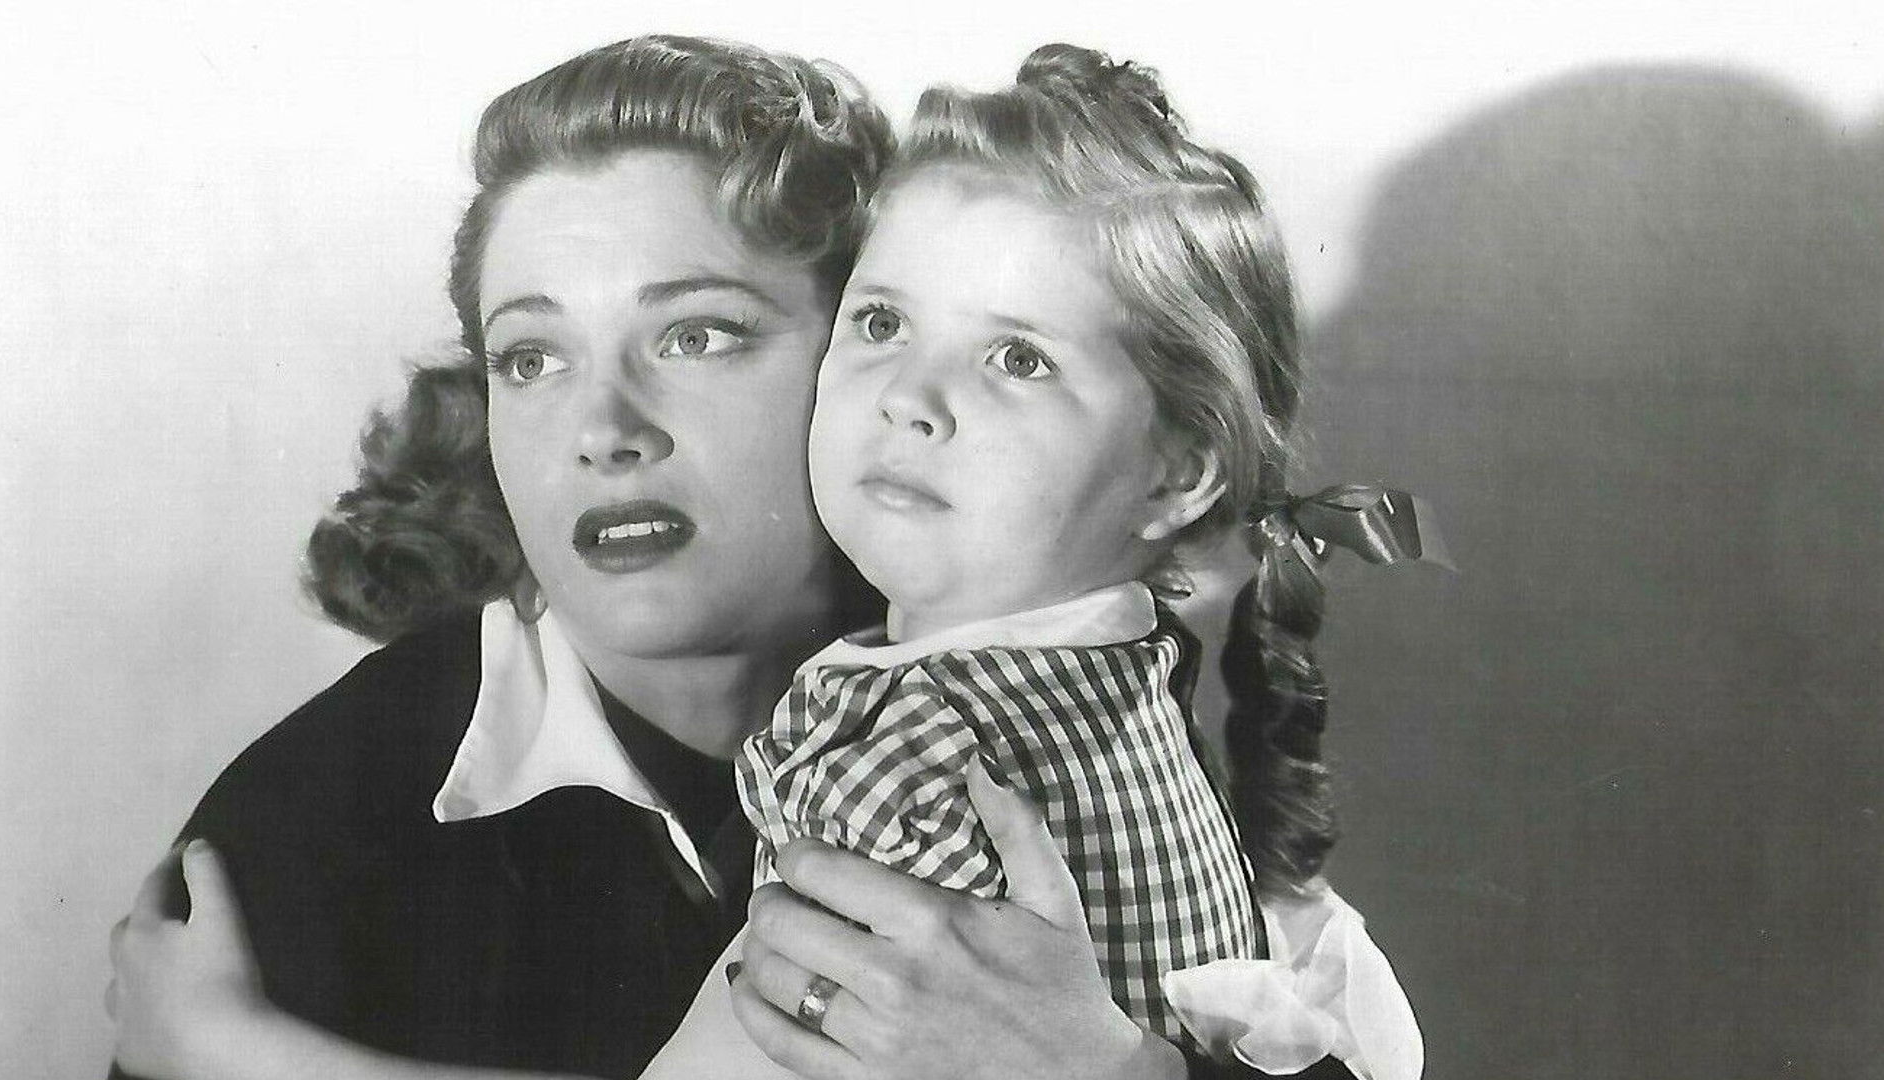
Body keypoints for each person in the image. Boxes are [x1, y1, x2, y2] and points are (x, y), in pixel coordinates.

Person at [107, 34, 1410, 1080]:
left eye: (698, 336)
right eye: (532, 356)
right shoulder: (313, 827)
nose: (603, 430)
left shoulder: (1041, 681)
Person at [642, 43, 1428, 1080]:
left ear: (1175, 476)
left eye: (1017, 359)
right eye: (880, 322)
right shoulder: (1126, 686)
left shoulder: (911, 753)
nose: (909, 398)